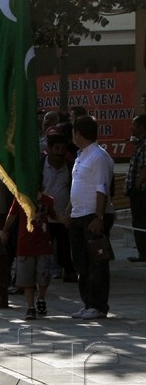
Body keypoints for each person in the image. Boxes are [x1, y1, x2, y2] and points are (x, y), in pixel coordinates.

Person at [67, 114, 115, 319]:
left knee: (97, 263)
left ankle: (98, 305)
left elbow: (102, 188)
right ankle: (87, 303)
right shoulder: (81, 156)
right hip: (78, 215)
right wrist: (68, 211)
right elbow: (77, 185)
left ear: (78, 133)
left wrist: (99, 217)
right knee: (81, 263)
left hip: (92, 216)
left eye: (73, 131)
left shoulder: (98, 156)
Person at [2, 190, 57, 320]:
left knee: (43, 274)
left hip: (43, 244)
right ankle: (30, 307)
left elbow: (53, 215)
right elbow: (12, 215)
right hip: (25, 244)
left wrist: (65, 219)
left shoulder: (47, 200)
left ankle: (41, 298)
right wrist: (5, 229)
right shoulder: (20, 199)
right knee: (27, 278)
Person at [42, 129, 76, 280]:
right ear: (49, 149)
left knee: (64, 245)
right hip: (43, 216)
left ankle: (68, 271)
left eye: (63, 149)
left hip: (63, 215)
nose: (60, 152)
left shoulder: (71, 167)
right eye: (56, 148)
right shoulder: (40, 166)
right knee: (43, 247)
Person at [126, 114, 146, 262]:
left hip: (142, 191)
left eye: (134, 124)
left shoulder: (145, 145)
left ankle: (143, 252)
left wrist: (137, 186)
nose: (131, 127)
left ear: (141, 127)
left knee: (140, 221)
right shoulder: (140, 144)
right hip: (138, 190)